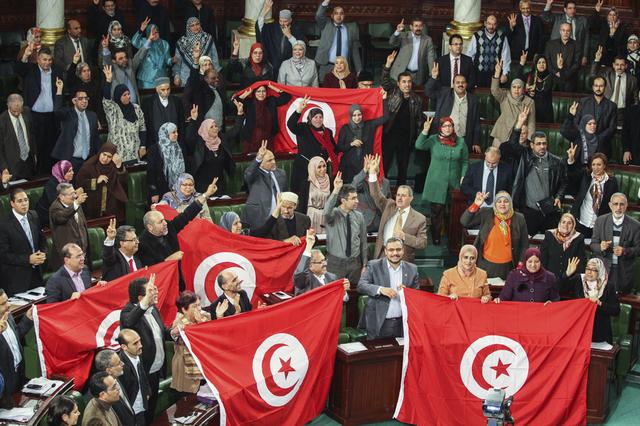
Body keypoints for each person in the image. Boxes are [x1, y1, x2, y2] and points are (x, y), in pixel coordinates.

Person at [120, 275, 178, 423]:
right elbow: (129, 322)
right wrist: (146, 301)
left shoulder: (153, 310)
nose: (156, 292)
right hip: (141, 373)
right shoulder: (127, 312)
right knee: (140, 414)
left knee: (151, 411)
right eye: (151, 290)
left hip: (155, 371)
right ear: (141, 297)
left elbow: (161, 332)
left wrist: (172, 333)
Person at [509, 108, 568, 236]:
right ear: (531, 145)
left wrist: (559, 197)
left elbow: (564, 182)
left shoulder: (556, 161)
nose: (542, 146)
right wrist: (519, 124)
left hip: (549, 211)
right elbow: (512, 145)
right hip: (529, 210)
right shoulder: (525, 156)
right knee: (526, 244)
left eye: (544, 143)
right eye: (538, 144)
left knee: (550, 243)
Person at [138, 179, 218, 267]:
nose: (165, 223)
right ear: (150, 227)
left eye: (164, 219)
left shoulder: (169, 227)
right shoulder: (142, 244)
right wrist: (169, 259)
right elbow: (150, 269)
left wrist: (206, 194)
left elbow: (187, 214)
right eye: (160, 222)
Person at [415, 116, 469, 245]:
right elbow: (419, 145)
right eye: (444, 126)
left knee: (453, 211)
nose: (447, 128)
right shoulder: (434, 140)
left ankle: (452, 237)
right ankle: (436, 236)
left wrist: (463, 176)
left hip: (454, 182)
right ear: (440, 128)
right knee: (437, 211)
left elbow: (465, 161)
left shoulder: (460, 141)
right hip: (436, 182)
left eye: (450, 126)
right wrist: (425, 131)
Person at [366, 154, 427, 261]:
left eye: (403, 196)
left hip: (403, 260)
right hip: (383, 257)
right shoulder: (389, 205)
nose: (399, 198)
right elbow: (376, 194)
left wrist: (405, 237)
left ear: (411, 198)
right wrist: (372, 173)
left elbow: (422, 243)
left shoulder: (419, 219)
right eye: (398, 195)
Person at [357, 237, 418, 339]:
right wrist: (381, 289)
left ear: (403, 250)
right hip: (378, 323)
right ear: (385, 251)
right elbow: (361, 285)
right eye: (391, 250)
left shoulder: (412, 269)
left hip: (402, 324)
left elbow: (416, 295)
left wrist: (407, 292)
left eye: (398, 249)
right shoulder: (374, 265)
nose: (395, 253)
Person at [14, 46, 63, 174]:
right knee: (38, 146)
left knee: (52, 145)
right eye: (44, 59)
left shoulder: (57, 71)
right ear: (38, 59)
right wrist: (25, 55)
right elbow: (18, 69)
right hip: (35, 115)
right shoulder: (31, 70)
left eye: (49, 60)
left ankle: (52, 173)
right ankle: (38, 174)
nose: (47, 62)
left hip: (52, 116)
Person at [461, 191, 528, 280]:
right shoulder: (486, 213)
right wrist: (476, 205)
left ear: (510, 203)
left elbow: (524, 245)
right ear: (495, 204)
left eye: (506, 201)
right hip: (485, 265)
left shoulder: (519, 218)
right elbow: (465, 222)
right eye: (499, 201)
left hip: (509, 266)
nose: (502, 204)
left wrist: (520, 265)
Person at [381, 51, 423, 186]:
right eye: (404, 82)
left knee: (403, 169)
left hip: (406, 139)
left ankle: (401, 194)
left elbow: (418, 121)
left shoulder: (416, 99)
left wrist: (417, 139)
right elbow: (385, 81)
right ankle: (383, 193)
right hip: (389, 136)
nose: (407, 84)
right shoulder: (393, 92)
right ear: (398, 84)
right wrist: (387, 65)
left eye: (409, 82)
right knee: (385, 166)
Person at [287, 95, 338, 196]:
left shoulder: (328, 132)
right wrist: (299, 110)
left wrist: (330, 156)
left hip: (320, 171)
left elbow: (334, 148)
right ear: (310, 118)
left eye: (320, 117)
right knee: (303, 196)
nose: (318, 120)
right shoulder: (303, 128)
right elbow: (290, 125)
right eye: (315, 117)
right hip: (303, 169)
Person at [186, 102, 242, 196]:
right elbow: (189, 137)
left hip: (219, 184)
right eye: (211, 127)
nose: (215, 128)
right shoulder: (199, 142)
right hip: (202, 185)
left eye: (216, 126)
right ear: (205, 129)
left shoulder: (221, 139)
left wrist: (240, 114)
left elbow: (235, 131)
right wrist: (193, 120)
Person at [590, 193, 640, 294]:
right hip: (603, 270)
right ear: (610, 205)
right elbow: (593, 244)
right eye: (615, 204)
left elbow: (638, 249)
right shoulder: (600, 221)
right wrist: (600, 247)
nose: (618, 207)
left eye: (622, 204)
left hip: (623, 272)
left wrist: (625, 251)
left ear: (626, 206)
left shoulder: (636, 225)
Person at [562, 257, 620, 343]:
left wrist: (599, 303)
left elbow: (616, 311)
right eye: (587, 268)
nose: (589, 272)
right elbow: (560, 289)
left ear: (600, 271)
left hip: (600, 332)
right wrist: (567, 274)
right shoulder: (578, 280)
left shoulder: (608, 286)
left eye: (594, 270)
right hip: (578, 330)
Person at [0, 189, 47, 296]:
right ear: (12, 203)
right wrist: (28, 259)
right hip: (16, 279)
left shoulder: (34, 215)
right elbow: (4, 255)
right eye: (20, 201)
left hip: (37, 274)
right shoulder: (3, 225)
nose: (24, 204)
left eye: (26, 200)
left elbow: (42, 240)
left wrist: (43, 253)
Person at [424, 65, 481, 152]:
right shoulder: (444, 93)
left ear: (466, 84)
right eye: (457, 82)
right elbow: (428, 92)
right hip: (444, 138)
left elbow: (476, 122)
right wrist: (434, 77)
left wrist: (476, 142)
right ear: (453, 84)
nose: (460, 85)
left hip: (463, 140)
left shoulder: (473, 99)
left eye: (463, 82)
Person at [323, 176, 367, 284]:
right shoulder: (333, 214)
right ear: (343, 200)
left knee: (354, 295)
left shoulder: (359, 216)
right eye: (353, 198)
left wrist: (364, 264)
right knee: (335, 295)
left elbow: (363, 241)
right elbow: (326, 211)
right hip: (335, 264)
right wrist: (336, 190)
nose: (357, 201)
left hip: (355, 264)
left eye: (356, 197)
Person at [336, 95, 388, 184]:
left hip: (365, 165)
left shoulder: (370, 125)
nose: (357, 118)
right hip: (348, 167)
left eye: (359, 114)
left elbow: (385, 118)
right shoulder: (345, 128)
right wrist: (351, 144)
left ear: (362, 114)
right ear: (350, 116)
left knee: (364, 193)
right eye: (354, 115)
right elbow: (338, 148)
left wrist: (384, 99)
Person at [52, 82, 101, 172]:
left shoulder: (92, 116)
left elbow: (96, 139)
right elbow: (57, 111)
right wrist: (59, 90)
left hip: (88, 160)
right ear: (74, 101)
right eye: (80, 99)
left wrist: (98, 157)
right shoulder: (68, 114)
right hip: (72, 159)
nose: (84, 101)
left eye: (86, 98)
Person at [567, 152, 617, 237]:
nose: (595, 167)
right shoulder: (585, 176)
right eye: (593, 164)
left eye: (599, 165)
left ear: (604, 165)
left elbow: (613, 203)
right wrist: (571, 160)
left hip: (599, 226)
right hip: (581, 222)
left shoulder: (611, 181)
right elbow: (572, 176)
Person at [241, 142, 288, 230]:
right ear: (261, 164)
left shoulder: (281, 173)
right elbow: (248, 174)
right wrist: (258, 158)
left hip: (280, 217)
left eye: (274, 159)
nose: (274, 162)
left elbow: (285, 193)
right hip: (260, 217)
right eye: (269, 160)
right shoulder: (255, 175)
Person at [102, 72, 147, 163]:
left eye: (128, 94)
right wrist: (108, 81)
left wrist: (143, 146)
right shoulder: (113, 109)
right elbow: (106, 99)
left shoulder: (136, 108)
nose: (128, 97)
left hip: (135, 153)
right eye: (124, 95)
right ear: (118, 96)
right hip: (117, 155)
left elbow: (142, 128)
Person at [76, 143, 128, 219]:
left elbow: (123, 184)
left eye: (109, 157)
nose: (105, 159)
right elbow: (79, 184)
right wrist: (96, 181)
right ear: (100, 152)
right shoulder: (89, 166)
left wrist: (119, 166)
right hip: (92, 206)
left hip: (111, 206)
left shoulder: (113, 166)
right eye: (104, 154)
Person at [171, 291, 210, 393]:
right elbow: (173, 335)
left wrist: (200, 323)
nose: (199, 309)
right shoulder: (179, 323)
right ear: (184, 309)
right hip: (187, 368)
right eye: (194, 306)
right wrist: (175, 332)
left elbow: (209, 339)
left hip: (204, 366)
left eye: (199, 305)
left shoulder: (205, 317)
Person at [0, 289, 33, 408]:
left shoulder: (8, 316)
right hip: (4, 384)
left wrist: (27, 320)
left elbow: (16, 336)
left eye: (7, 301)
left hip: (19, 372)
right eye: (3, 304)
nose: (8, 305)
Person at [294, 229, 350, 299]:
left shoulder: (332, 278)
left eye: (324, 260)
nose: (325, 264)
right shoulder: (304, 280)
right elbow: (301, 272)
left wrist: (343, 292)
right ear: (310, 265)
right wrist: (308, 246)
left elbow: (344, 299)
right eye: (321, 262)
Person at [491, 59, 535, 146]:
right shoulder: (505, 96)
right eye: (514, 87)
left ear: (523, 90)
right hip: (502, 133)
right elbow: (494, 90)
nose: (516, 89)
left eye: (519, 87)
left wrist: (530, 140)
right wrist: (497, 74)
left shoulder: (529, 101)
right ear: (510, 88)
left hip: (519, 135)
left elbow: (531, 123)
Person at [314, 0, 362, 80]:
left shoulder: (350, 30)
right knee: (325, 89)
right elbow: (318, 15)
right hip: (326, 65)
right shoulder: (326, 25)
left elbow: (355, 52)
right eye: (336, 13)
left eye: (341, 13)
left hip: (344, 67)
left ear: (344, 16)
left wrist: (359, 69)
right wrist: (326, 1)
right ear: (332, 16)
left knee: (342, 90)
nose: (339, 16)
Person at [235, 82, 289, 154]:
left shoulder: (271, 101)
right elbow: (236, 100)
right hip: (251, 139)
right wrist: (248, 92)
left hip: (268, 139)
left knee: (267, 161)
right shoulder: (249, 102)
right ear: (254, 93)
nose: (261, 94)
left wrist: (272, 87)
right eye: (258, 91)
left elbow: (286, 97)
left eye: (264, 91)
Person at [572, 76, 617, 159]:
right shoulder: (583, 102)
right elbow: (576, 122)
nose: (598, 88)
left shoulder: (612, 106)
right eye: (596, 86)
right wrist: (586, 136)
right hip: (583, 143)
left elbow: (612, 128)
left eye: (601, 86)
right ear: (593, 87)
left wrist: (597, 139)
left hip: (602, 145)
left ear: (605, 87)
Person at [494, 247, 560, 303]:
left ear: (541, 262)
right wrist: (498, 300)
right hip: (518, 316)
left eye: (537, 261)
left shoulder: (550, 277)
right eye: (530, 261)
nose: (533, 265)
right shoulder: (514, 275)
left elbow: (555, 300)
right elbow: (504, 298)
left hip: (541, 315)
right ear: (525, 261)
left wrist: (551, 303)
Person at [255, 2, 304, 77]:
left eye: (285, 21)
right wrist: (264, 12)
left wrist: (289, 35)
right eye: (280, 21)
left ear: (290, 20)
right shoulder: (273, 27)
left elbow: (300, 47)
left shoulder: (297, 29)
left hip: (290, 65)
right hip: (274, 63)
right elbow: (260, 27)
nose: (282, 24)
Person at [49, 183, 89, 270]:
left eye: (74, 193)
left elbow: (81, 226)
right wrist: (77, 203)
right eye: (71, 194)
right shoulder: (55, 208)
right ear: (61, 196)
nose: (74, 196)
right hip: (67, 258)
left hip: (81, 253)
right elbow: (62, 217)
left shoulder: (76, 205)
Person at [100, 37, 151, 105]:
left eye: (125, 57)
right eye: (120, 58)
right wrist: (105, 48)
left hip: (135, 106)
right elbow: (106, 61)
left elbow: (139, 56)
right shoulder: (112, 69)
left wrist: (149, 40)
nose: (124, 60)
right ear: (114, 61)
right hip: (120, 108)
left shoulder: (130, 65)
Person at [592, 52, 638, 126]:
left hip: (623, 113)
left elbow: (636, 100)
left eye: (622, 65)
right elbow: (593, 74)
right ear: (613, 65)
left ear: (626, 66)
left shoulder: (632, 80)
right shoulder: (607, 74)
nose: (619, 67)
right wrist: (597, 59)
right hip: (606, 110)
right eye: (617, 65)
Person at [173, 17, 221, 88]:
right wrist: (176, 76)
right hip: (187, 78)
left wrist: (216, 74)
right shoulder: (181, 42)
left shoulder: (208, 38)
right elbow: (178, 63)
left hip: (206, 77)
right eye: (192, 25)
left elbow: (215, 58)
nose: (195, 27)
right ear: (188, 27)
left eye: (197, 24)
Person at [92, 349, 135, 425]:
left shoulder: (117, 377)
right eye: (118, 363)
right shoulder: (105, 395)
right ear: (109, 370)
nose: (123, 364)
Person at [388, 17, 435, 86]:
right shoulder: (404, 35)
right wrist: (397, 31)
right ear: (411, 27)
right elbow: (392, 42)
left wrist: (432, 74)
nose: (418, 28)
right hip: (402, 71)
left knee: (416, 94)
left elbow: (431, 57)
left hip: (418, 74)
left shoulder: (427, 40)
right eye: (416, 26)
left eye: (420, 26)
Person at [147, 123, 187, 204]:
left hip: (179, 190)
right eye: (173, 132)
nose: (176, 134)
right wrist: (154, 193)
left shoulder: (180, 147)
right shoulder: (155, 149)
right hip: (161, 189)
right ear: (165, 134)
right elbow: (151, 172)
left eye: (177, 132)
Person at [542, 0, 590, 66]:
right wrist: (548, 4)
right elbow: (545, 18)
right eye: (570, 8)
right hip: (558, 53)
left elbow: (586, 40)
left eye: (574, 8)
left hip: (575, 54)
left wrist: (585, 56)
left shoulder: (582, 21)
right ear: (565, 9)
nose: (572, 10)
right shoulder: (558, 18)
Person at [117, 329, 150, 426]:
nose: (140, 345)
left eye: (139, 341)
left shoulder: (138, 354)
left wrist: (147, 390)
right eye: (135, 343)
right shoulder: (120, 366)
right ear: (124, 347)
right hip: (130, 412)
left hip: (141, 406)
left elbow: (143, 375)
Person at [141, 77, 186, 148]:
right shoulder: (148, 103)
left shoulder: (177, 101)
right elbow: (147, 125)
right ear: (157, 89)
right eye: (163, 90)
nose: (166, 92)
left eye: (168, 89)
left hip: (175, 143)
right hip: (156, 144)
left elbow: (181, 124)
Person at [467, 15, 511, 87]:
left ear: (497, 25)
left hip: (496, 74)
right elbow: (470, 56)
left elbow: (506, 57)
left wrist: (505, 74)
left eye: (494, 24)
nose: (491, 26)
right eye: (489, 24)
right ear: (485, 23)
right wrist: (469, 73)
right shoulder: (477, 36)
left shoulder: (502, 37)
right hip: (478, 74)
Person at [0, 94, 36, 180]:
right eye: (14, 111)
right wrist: (3, 167)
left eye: (19, 110)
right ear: (8, 106)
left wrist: (35, 154)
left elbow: (32, 135)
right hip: (11, 165)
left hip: (28, 162)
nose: (17, 113)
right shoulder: (2, 121)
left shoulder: (27, 113)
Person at [540, 213, 586, 281]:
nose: (566, 225)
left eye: (569, 223)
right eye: (563, 222)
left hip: (570, 279)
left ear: (573, 225)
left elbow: (580, 263)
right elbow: (543, 259)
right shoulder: (550, 235)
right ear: (559, 223)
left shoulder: (579, 238)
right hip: (550, 278)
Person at [352, 156, 391, 233]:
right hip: (364, 220)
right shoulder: (361, 182)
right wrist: (365, 170)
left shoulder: (385, 182)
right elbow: (353, 186)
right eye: (371, 165)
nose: (374, 167)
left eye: (375, 165)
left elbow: (387, 201)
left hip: (379, 221)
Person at [513, 53, 554, 124]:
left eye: (543, 62)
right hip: (531, 112)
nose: (541, 64)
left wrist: (560, 68)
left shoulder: (550, 76)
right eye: (539, 62)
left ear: (547, 64)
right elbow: (517, 80)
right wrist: (521, 63)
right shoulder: (530, 75)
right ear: (536, 65)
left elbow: (561, 83)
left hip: (546, 113)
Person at [131, 20, 173, 90]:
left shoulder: (164, 43)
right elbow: (134, 42)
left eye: (156, 32)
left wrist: (171, 60)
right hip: (146, 78)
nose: (155, 34)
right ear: (148, 33)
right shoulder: (144, 41)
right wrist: (141, 30)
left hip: (161, 76)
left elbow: (167, 59)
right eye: (152, 33)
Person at [65, 58, 106, 127]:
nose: (87, 73)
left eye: (88, 70)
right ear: (79, 74)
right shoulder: (76, 86)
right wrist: (74, 62)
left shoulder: (95, 84)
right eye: (84, 71)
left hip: (96, 117)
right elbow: (70, 77)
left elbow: (98, 103)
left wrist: (97, 118)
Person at [544, 22, 582, 92]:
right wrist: (556, 72)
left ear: (570, 32)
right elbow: (547, 61)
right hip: (553, 76)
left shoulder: (577, 45)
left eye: (568, 30)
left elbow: (577, 63)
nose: (565, 33)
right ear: (560, 31)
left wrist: (564, 75)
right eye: (563, 30)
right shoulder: (550, 44)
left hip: (569, 77)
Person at [561, 102, 602, 166]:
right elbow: (564, 131)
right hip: (574, 168)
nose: (593, 126)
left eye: (594, 124)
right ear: (584, 125)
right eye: (589, 124)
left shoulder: (598, 140)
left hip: (591, 170)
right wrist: (571, 115)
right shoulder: (577, 135)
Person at [36, 161, 73, 227]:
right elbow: (57, 203)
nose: (72, 173)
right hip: (47, 217)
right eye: (69, 171)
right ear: (61, 172)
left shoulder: (67, 182)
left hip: (62, 215)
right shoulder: (51, 185)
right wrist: (74, 195)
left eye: (72, 170)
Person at [307, 157, 331, 231]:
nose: (323, 169)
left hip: (326, 216)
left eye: (324, 166)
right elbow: (302, 204)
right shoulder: (307, 183)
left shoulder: (330, 180)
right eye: (319, 167)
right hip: (311, 216)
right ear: (313, 168)